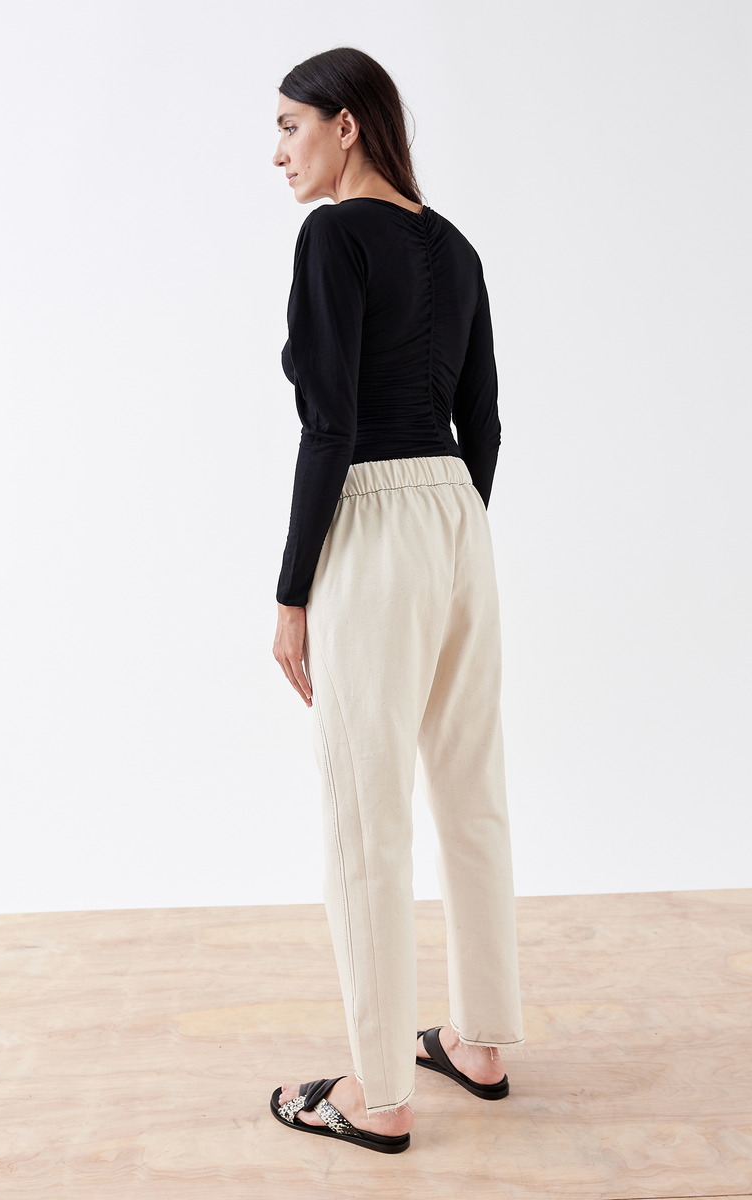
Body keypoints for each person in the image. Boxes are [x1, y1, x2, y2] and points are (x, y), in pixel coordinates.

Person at [269, 47, 524, 1155]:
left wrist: (292, 594)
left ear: (346, 127)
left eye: (289, 128)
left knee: (365, 815)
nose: (279, 154)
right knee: (471, 791)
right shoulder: (455, 244)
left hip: (371, 517)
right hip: (460, 519)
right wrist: (453, 536)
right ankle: (478, 1040)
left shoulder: (333, 237)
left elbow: (328, 425)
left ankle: (375, 1097)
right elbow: (489, 421)